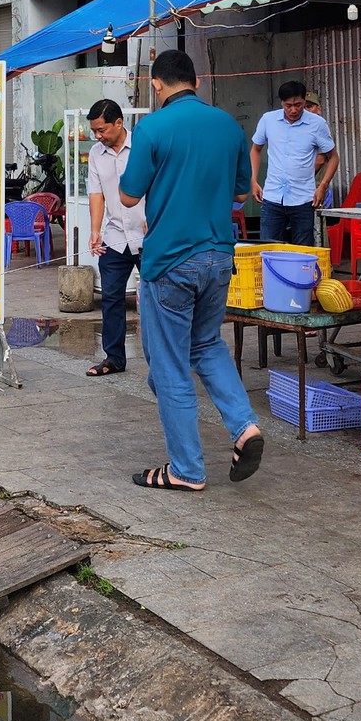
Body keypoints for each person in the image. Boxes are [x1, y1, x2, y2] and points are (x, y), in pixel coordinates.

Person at [117, 49, 264, 491]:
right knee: (206, 346)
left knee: (168, 366)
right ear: (196, 81)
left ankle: (186, 470)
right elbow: (241, 195)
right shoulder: (227, 125)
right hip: (219, 256)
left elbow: (127, 197)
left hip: (171, 260)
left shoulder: (152, 129)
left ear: (157, 85)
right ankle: (244, 427)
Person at [84, 98, 145, 378]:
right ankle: (114, 358)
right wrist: (95, 230)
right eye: (94, 131)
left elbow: (158, 186)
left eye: (102, 130)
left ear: (119, 123)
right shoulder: (96, 153)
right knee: (111, 298)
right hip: (115, 237)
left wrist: (155, 219)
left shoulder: (143, 146)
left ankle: (164, 361)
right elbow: (96, 193)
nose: (98, 136)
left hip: (149, 237)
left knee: (156, 299)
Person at [249, 80, 338, 245]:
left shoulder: (317, 124)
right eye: (288, 105)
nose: (293, 110)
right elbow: (255, 149)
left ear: (304, 101)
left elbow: (333, 157)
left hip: (304, 199)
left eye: (298, 104)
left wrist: (323, 185)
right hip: (273, 197)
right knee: (268, 248)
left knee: (303, 250)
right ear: (281, 102)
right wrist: (253, 179)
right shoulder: (268, 120)